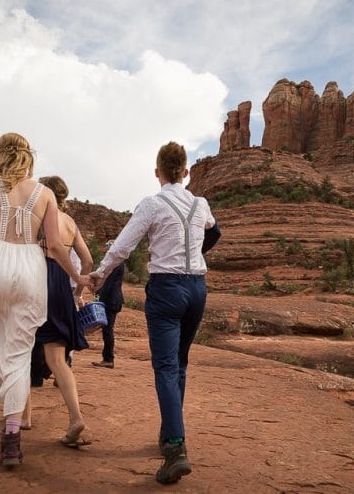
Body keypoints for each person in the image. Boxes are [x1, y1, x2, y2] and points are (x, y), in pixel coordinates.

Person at [90, 141, 221, 485]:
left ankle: (176, 448)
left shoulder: (152, 203)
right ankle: (168, 433)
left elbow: (122, 246)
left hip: (166, 288)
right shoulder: (201, 203)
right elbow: (215, 231)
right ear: (187, 171)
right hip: (197, 289)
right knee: (179, 363)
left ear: (157, 172)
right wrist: (195, 251)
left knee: (165, 365)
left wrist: (99, 275)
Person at [0, 133, 88, 467]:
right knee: (20, 354)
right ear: (28, 157)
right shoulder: (45, 193)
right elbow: (54, 245)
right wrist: (77, 278)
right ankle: (11, 439)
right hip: (31, 268)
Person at [34, 175, 94, 447]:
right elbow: (88, 260)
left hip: (36, 276)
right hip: (61, 284)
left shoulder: (37, 215)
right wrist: (78, 291)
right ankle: (75, 418)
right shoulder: (70, 222)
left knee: (21, 352)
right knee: (58, 359)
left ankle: (22, 418)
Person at [91, 241, 124, 369]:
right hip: (113, 300)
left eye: (108, 248)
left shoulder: (115, 265)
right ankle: (107, 358)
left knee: (107, 330)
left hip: (111, 301)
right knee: (107, 329)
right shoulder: (116, 264)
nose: (106, 250)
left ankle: (108, 359)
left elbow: (108, 285)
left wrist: (97, 295)